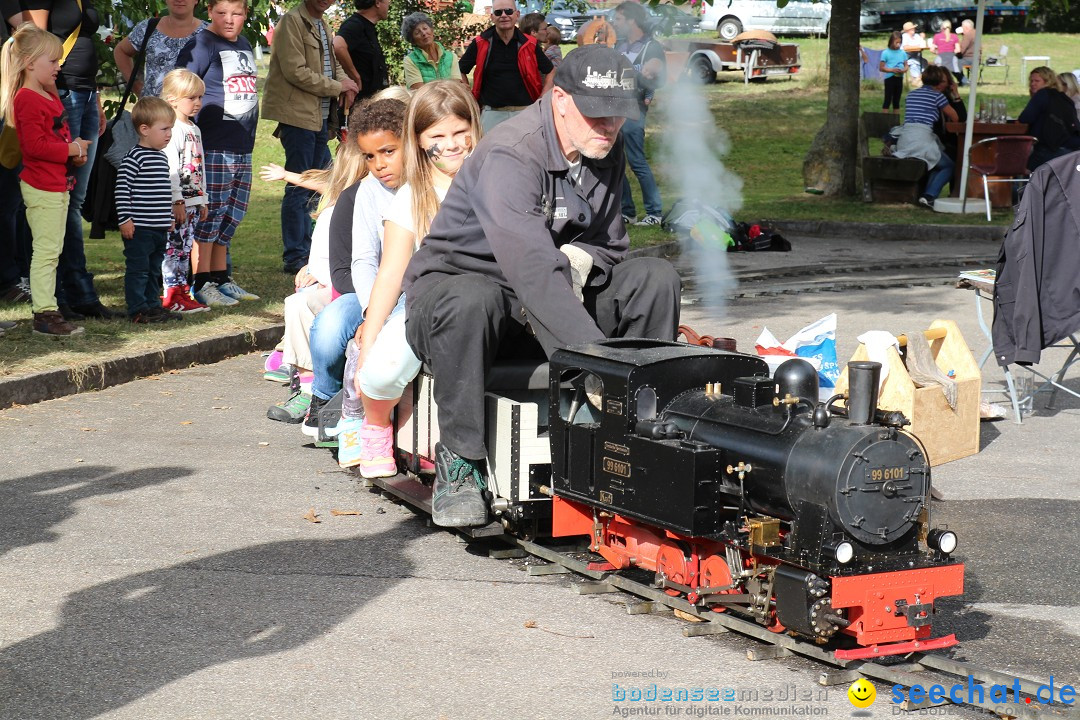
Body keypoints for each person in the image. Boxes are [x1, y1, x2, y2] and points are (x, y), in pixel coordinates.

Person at [402, 45, 682, 527]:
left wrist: (578, 259)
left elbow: (611, 245)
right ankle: (461, 464)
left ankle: (638, 435)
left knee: (654, 277)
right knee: (474, 297)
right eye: (597, 115)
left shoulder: (602, 148)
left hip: (548, 295)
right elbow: (531, 268)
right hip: (463, 303)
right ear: (560, 100)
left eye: (619, 116)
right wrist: (599, 367)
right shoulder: (512, 151)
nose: (609, 127)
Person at [342, 81, 481, 474]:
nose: (452, 144)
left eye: (460, 132)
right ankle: (374, 423)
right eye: (438, 136)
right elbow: (391, 271)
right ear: (419, 141)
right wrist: (370, 335)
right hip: (426, 299)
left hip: (486, 296)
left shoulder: (501, 179)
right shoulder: (413, 194)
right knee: (381, 371)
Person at [298, 96, 407, 433]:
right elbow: (361, 260)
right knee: (329, 327)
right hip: (370, 293)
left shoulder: (425, 187)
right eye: (370, 157)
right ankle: (324, 397)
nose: (379, 165)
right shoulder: (364, 193)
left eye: (388, 152)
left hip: (412, 292)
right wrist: (372, 309)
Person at [263, 118, 374, 422]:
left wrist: (323, 278)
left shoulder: (361, 204)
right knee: (299, 302)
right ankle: (306, 385)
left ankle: (313, 389)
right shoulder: (337, 201)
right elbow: (327, 251)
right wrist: (310, 268)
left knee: (305, 306)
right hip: (329, 282)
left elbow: (360, 261)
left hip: (352, 290)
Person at [0, 23, 92, 336]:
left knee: (51, 250)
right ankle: (45, 314)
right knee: (46, 252)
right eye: (52, 61)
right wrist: (72, 148)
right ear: (29, 63)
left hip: (57, 184)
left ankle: (47, 309)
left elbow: (57, 133)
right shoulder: (26, 98)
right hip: (42, 186)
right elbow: (34, 146)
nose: (59, 66)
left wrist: (73, 153)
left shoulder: (47, 94)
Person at [262, 0, 358, 276]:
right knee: (299, 183)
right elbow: (296, 71)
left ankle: (314, 249)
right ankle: (296, 256)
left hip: (319, 118)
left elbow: (331, 65)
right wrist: (337, 86)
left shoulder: (321, 22)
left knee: (324, 182)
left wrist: (346, 82)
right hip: (298, 117)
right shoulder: (292, 21)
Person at [177, 0, 261, 306]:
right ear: (209, 12)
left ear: (245, 15)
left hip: (242, 145)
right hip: (214, 145)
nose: (229, 20)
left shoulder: (245, 43)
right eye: (222, 13)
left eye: (236, 13)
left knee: (231, 216)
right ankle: (201, 282)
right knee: (209, 218)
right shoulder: (202, 43)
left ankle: (221, 278)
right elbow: (182, 87)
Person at [47, 0, 117, 321]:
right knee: (62, 198)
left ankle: (74, 289)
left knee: (75, 200)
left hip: (85, 95)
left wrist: (97, 101)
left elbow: (84, 49)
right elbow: (31, 42)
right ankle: (66, 291)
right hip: (62, 94)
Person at [115, 97, 180, 324]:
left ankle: (153, 304)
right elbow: (122, 190)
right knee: (139, 268)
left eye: (170, 128)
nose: (169, 134)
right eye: (164, 129)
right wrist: (125, 219)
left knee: (154, 268)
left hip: (158, 226)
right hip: (139, 227)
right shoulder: (134, 158)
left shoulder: (161, 157)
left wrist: (168, 217)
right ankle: (137, 308)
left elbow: (163, 192)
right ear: (144, 129)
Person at [459, 0, 554, 133]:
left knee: (526, 153)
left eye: (509, 11)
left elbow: (551, 71)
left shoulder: (529, 44)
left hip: (525, 111)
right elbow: (460, 70)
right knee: (489, 153)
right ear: (492, 17)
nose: (504, 15)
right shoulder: (481, 43)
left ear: (517, 14)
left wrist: (542, 99)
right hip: (491, 114)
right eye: (498, 12)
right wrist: (469, 96)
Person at [160, 69, 210, 314]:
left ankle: (182, 291)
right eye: (192, 98)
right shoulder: (173, 129)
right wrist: (176, 199)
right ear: (172, 99)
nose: (198, 103)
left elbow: (199, 164)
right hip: (179, 202)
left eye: (200, 97)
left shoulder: (194, 128)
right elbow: (171, 167)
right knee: (174, 247)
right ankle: (170, 294)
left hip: (193, 201)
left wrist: (203, 199)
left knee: (186, 246)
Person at [611, 0, 665, 227]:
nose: (614, 22)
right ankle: (627, 211)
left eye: (619, 19)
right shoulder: (618, 46)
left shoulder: (651, 47)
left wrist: (651, 72)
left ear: (632, 20)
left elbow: (659, 77)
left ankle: (654, 213)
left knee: (636, 161)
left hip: (634, 109)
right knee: (615, 162)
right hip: (613, 109)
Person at [891, 65, 958, 210]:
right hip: (922, 139)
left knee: (936, 164)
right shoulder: (937, 96)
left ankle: (927, 195)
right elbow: (954, 116)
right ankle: (929, 196)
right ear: (939, 80)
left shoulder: (911, 94)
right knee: (949, 166)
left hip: (906, 137)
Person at [114, 0, 207, 99]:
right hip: (153, 109)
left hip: (195, 111)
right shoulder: (148, 28)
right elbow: (121, 51)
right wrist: (135, 85)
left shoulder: (208, 34)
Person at [1018, 67, 1080, 172]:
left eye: (1037, 81)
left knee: (1020, 165)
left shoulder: (1043, 94)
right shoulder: (1063, 97)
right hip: (1070, 150)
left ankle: (1017, 187)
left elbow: (1025, 118)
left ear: (1048, 82)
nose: (1033, 84)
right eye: (1031, 81)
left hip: (1050, 149)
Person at [334, 0, 390, 104]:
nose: (389, 4)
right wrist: (355, 76)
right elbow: (337, 45)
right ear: (377, 3)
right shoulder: (355, 24)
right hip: (359, 104)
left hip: (372, 102)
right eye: (388, 1)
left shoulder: (368, 27)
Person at [400, 12, 462, 90]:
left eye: (425, 28)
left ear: (432, 30)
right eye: (417, 32)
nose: (423, 33)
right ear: (413, 40)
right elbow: (419, 92)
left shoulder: (451, 57)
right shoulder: (410, 61)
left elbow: (457, 88)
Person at [880, 31, 906, 115]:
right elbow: (881, 68)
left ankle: (896, 120)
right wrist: (892, 70)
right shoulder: (885, 53)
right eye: (896, 42)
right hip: (890, 78)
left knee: (896, 101)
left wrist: (904, 70)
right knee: (887, 99)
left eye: (900, 43)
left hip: (899, 78)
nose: (898, 44)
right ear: (892, 41)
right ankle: (884, 119)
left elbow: (906, 65)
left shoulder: (902, 53)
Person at [901, 21, 926, 88]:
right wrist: (917, 47)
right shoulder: (904, 36)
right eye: (912, 29)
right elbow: (905, 47)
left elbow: (922, 45)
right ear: (907, 30)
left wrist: (922, 38)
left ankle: (919, 78)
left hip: (915, 55)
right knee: (914, 63)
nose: (914, 30)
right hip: (906, 57)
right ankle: (916, 79)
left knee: (924, 62)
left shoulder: (916, 36)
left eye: (913, 28)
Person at [957, 19, 976, 86]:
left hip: (969, 59)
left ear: (966, 28)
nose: (962, 29)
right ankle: (964, 80)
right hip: (976, 58)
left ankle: (964, 81)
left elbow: (961, 50)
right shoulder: (975, 32)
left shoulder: (968, 35)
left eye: (962, 27)